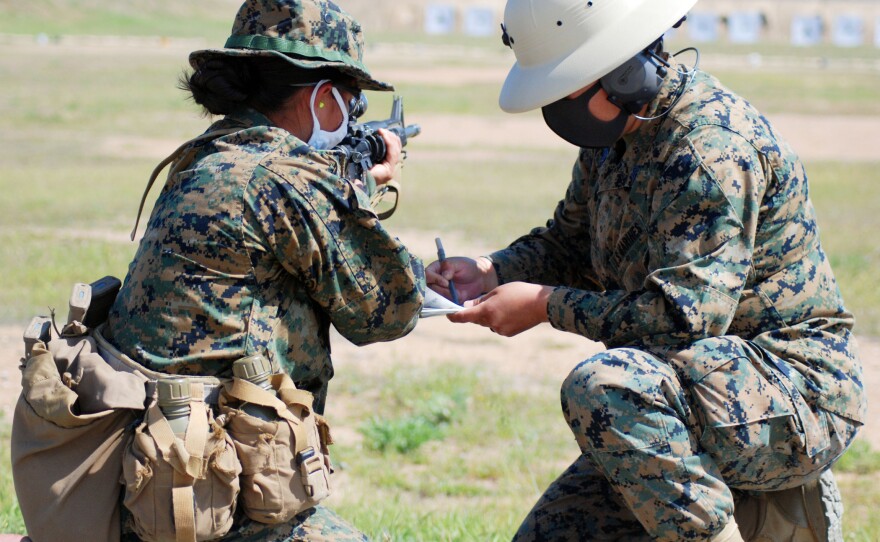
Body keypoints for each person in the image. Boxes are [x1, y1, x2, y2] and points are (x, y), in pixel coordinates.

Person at [427, 0, 864, 540]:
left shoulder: (710, 150)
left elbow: (682, 318)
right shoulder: (616, 137)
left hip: (790, 398)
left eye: (567, 85)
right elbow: (570, 242)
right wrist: (492, 271)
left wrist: (544, 305)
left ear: (621, 73)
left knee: (603, 386)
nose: (559, 103)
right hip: (686, 393)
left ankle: (770, 510)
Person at [106, 0, 424, 539]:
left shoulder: (205, 156)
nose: (353, 110)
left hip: (151, 475)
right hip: (219, 495)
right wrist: (362, 200)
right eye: (351, 98)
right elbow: (389, 313)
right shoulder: (286, 177)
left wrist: (347, 190)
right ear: (322, 96)